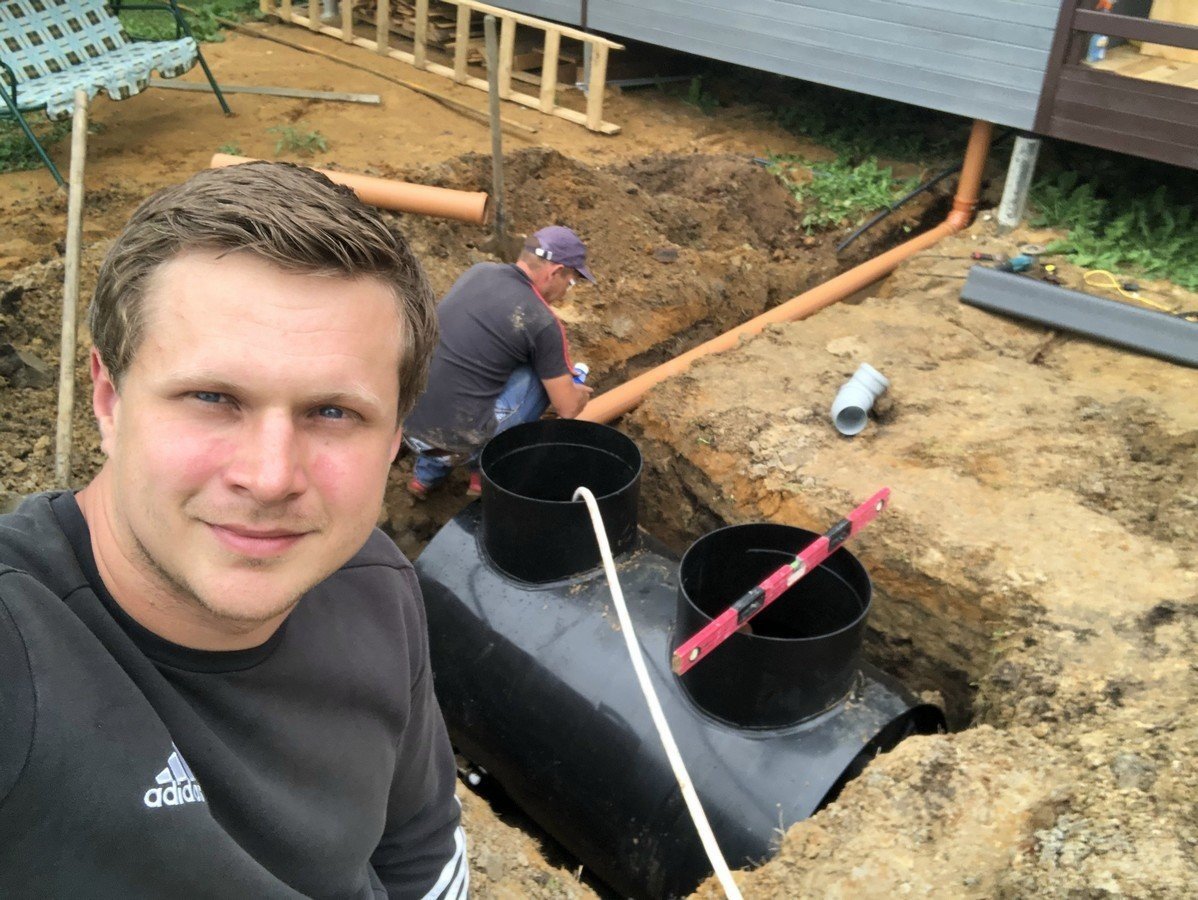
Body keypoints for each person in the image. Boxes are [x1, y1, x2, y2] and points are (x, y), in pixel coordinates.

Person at [0, 163, 468, 898]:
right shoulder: (19, 645)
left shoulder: (376, 583)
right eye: (212, 397)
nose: (270, 476)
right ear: (109, 400)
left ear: (392, 440)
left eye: (334, 412)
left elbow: (419, 839)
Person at [402, 225, 596, 498]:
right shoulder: (541, 321)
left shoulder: (479, 272)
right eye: (571, 281)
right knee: (540, 378)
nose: (566, 291)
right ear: (555, 272)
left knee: (464, 363)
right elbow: (566, 408)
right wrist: (578, 395)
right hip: (457, 444)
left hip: (406, 423)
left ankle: (424, 478)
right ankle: (485, 469)